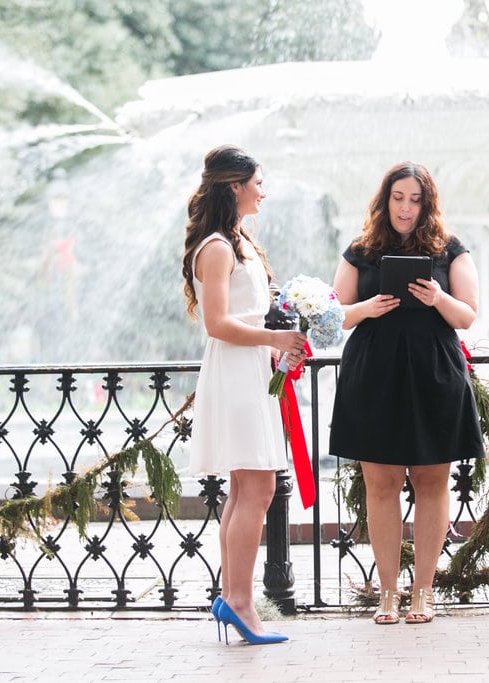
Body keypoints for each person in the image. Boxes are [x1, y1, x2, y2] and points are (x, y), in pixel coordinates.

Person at [328, 162, 484, 625]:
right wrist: (369, 308)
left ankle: (424, 591)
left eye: (415, 199)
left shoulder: (451, 250)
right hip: (373, 373)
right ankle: (389, 593)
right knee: (381, 485)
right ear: (385, 199)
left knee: (432, 481)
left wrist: (437, 297)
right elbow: (335, 316)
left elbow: (467, 317)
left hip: (433, 371)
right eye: (399, 197)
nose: (406, 207)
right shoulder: (360, 250)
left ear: (427, 204)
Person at [181, 145, 307, 645]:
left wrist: (285, 333)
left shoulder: (240, 243)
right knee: (257, 489)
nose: (264, 190)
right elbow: (216, 323)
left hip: (251, 368)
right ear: (235, 187)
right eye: (258, 182)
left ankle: (234, 597)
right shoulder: (216, 247)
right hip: (234, 370)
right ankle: (238, 600)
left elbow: (248, 312)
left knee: (249, 489)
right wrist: (274, 339)